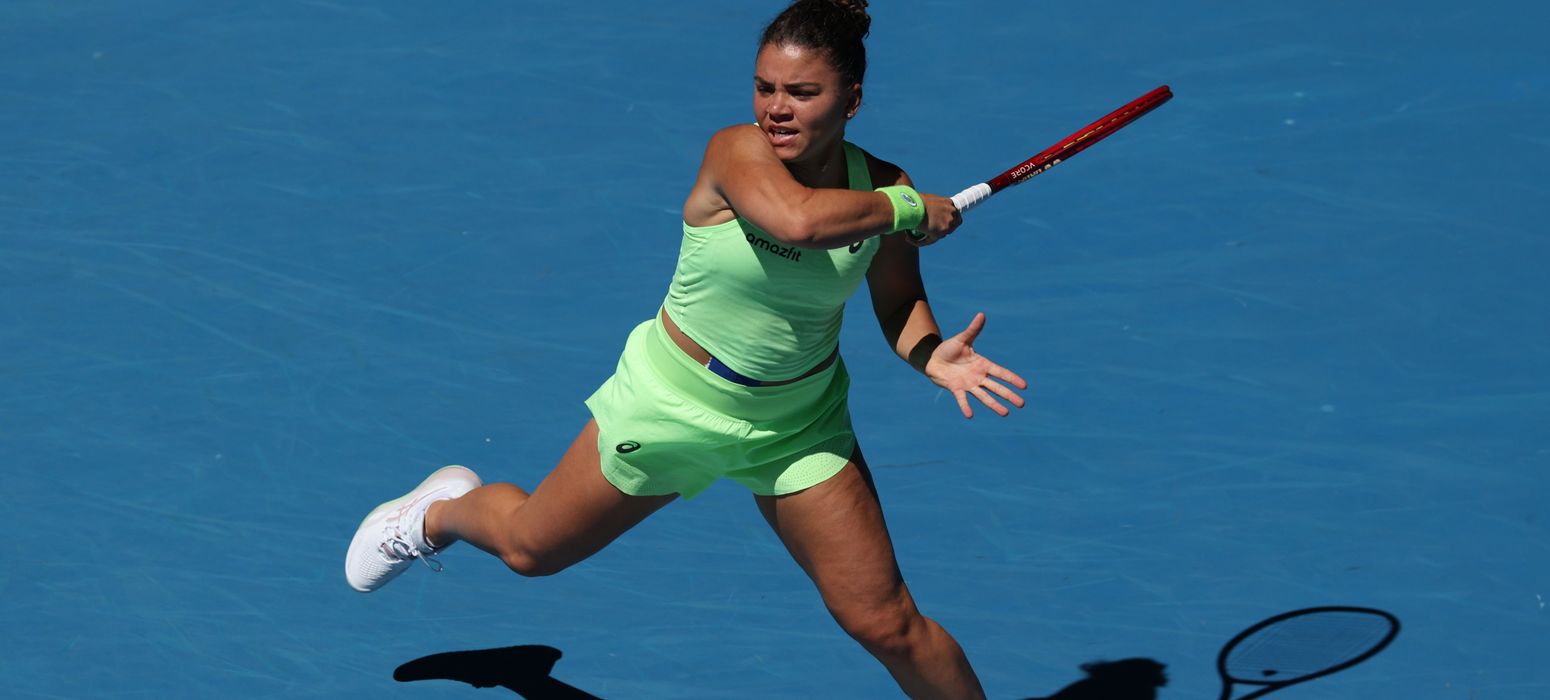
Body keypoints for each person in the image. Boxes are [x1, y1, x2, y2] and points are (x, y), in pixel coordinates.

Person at [344, 1, 1027, 697]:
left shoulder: (883, 183)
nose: (777, 110)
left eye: (802, 92)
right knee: (528, 549)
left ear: (851, 99)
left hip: (797, 426)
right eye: (766, 88)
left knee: (888, 625)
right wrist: (906, 209)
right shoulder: (738, 153)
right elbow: (796, 222)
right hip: (671, 403)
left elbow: (895, 299)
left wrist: (929, 353)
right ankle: (436, 512)